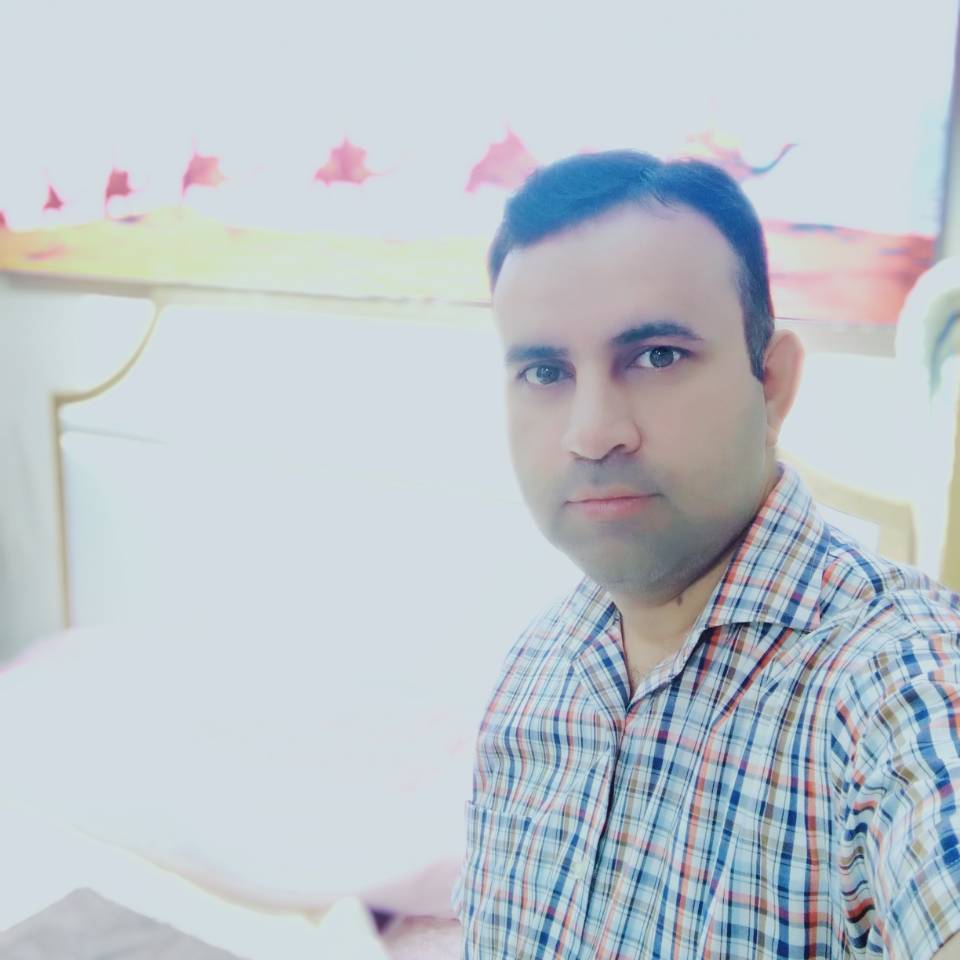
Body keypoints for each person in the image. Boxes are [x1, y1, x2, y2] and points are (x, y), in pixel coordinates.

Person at [451, 150, 960, 958]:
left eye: (657, 356)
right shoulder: (535, 674)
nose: (592, 432)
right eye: (545, 371)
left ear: (773, 384)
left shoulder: (900, 686)